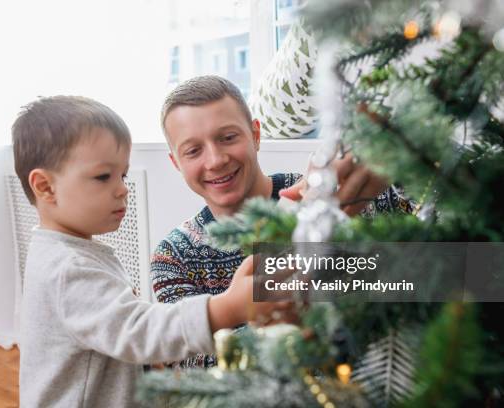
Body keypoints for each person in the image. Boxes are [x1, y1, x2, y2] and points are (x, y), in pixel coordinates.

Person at [12, 95, 291, 408]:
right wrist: (229, 308)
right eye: (104, 176)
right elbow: (150, 339)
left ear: (255, 135)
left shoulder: (320, 199)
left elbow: (355, 290)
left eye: (123, 175)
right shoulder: (169, 256)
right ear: (46, 187)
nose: (122, 189)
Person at [150, 75, 414, 368]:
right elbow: (204, 372)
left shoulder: (336, 190)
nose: (215, 160)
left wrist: (402, 161)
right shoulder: (174, 257)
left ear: (256, 136)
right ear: (176, 162)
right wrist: (298, 231)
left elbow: (467, 269)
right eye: (193, 150)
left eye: (227, 137)